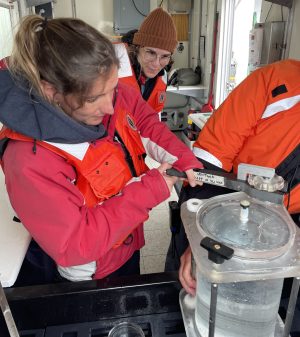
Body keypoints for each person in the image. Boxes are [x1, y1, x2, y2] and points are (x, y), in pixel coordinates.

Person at [0, 15, 203, 284]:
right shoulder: (28, 160)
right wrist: (149, 190)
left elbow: (145, 122)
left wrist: (185, 159)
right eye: (95, 98)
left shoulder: (110, 91)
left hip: (127, 238)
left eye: (112, 89)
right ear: (51, 91)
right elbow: (75, 242)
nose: (110, 107)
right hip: (90, 272)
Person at [164, 59, 300, 295]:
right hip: (213, 211)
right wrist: (201, 240)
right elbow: (207, 165)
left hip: (281, 245)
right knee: (186, 291)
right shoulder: (276, 81)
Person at [120, 7, 177, 115]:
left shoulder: (162, 77)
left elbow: (153, 117)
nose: (156, 64)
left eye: (165, 56)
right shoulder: (113, 71)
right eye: (151, 53)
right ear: (137, 48)